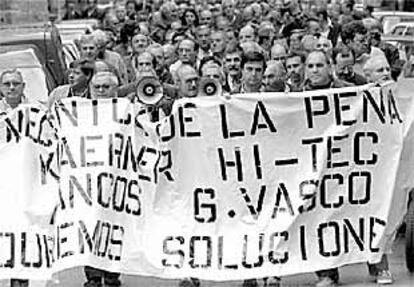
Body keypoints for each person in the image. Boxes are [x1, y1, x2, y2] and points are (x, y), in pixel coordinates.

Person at [0, 69, 32, 286]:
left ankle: (20, 281)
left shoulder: (36, 113)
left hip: (25, 185)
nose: (11, 87)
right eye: (7, 84)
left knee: (22, 238)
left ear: (23, 86)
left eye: (16, 83)